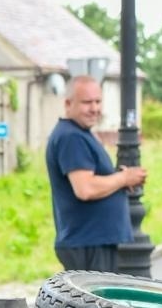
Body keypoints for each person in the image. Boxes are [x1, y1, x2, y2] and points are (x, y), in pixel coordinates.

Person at [45, 76, 147, 272]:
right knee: (96, 303)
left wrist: (117, 179)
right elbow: (85, 188)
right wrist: (123, 178)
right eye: (87, 102)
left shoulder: (79, 133)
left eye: (98, 101)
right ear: (68, 103)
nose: (94, 108)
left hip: (93, 241)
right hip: (88, 243)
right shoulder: (71, 137)